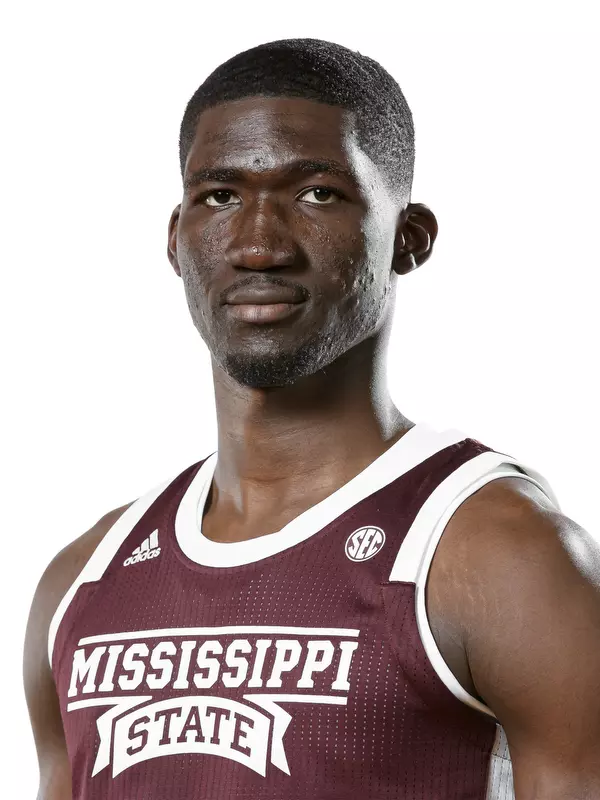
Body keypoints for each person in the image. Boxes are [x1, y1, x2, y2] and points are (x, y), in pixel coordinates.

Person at [23, 37, 600, 800]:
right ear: (176, 240)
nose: (258, 245)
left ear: (409, 238)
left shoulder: (497, 558)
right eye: (220, 197)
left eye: (317, 194)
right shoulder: (81, 583)